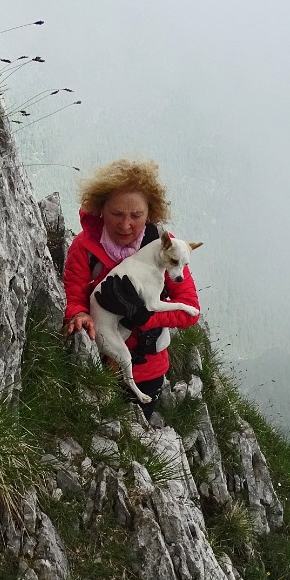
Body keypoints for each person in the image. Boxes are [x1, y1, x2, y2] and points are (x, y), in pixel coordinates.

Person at [62, 159, 200, 417]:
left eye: (136, 216)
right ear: (101, 208)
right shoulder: (84, 248)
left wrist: (143, 317)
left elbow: (190, 310)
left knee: (131, 446)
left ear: (151, 214)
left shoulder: (167, 251)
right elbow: (75, 295)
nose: (125, 225)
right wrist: (79, 314)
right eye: (116, 214)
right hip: (96, 365)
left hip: (147, 370)